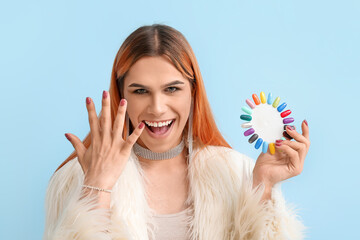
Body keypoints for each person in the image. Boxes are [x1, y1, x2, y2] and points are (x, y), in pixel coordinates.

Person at [43, 24, 310, 240]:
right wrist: (97, 189)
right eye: (140, 91)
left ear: (193, 93)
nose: (158, 109)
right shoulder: (75, 179)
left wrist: (262, 188)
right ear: (120, 96)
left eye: (172, 89)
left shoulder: (237, 173)